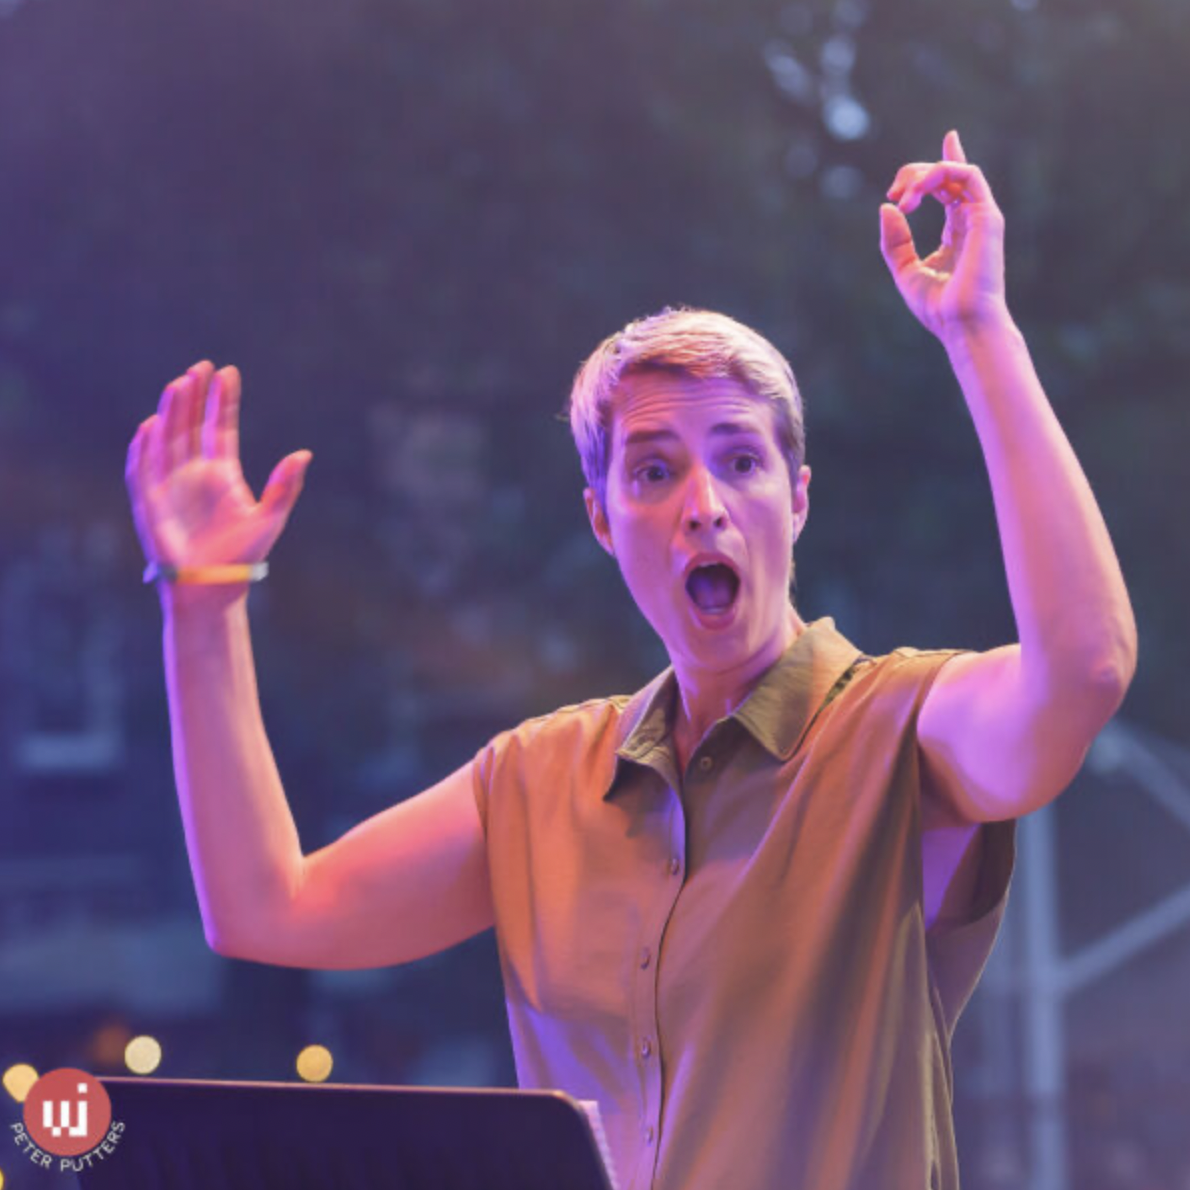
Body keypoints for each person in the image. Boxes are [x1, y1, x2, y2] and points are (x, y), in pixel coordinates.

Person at [125, 131, 1136, 1190]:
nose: (703, 503)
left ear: (795, 498)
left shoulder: (895, 728)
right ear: (602, 519)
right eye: (653, 471)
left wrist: (977, 331)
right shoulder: (537, 779)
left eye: (740, 460)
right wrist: (203, 601)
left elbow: (1084, 669)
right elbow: (264, 907)